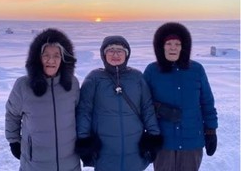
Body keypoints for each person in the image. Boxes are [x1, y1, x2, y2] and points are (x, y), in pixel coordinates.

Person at [75, 35, 163, 171]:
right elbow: (84, 111)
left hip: (134, 148)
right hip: (104, 151)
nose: (115, 54)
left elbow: (147, 108)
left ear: (126, 54)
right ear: (104, 54)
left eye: (120, 51)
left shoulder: (137, 77)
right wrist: (84, 141)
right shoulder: (94, 79)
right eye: (111, 50)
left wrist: (153, 137)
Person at [143, 22, 218, 171]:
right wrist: (159, 111)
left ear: (184, 47)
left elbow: (207, 103)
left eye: (177, 44)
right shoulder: (152, 71)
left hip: (192, 142)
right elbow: (142, 104)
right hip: (163, 143)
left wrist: (211, 131)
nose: (173, 47)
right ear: (161, 46)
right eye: (168, 43)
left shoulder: (196, 70)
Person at [5, 28, 81, 171]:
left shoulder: (72, 84)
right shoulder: (23, 86)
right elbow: (12, 114)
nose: (51, 60)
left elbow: (80, 114)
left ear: (63, 58)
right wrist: (13, 141)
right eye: (46, 55)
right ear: (37, 58)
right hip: (36, 164)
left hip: (70, 163)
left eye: (56, 55)